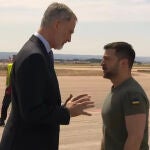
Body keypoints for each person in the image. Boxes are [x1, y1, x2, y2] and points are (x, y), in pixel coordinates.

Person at [0, 3, 94, 150]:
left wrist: (62, 107)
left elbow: (35, 103)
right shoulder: (34, 56)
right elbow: (31, 112)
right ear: (57, 25)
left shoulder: (39, 51)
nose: (69, 39)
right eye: (70, 32)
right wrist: (66, 112)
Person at [100, 42, 149, 150]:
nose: (102, 63)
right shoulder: (117, 90)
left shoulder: (132, 94)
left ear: (124, 63)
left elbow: (135, 138)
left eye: (107, 59)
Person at [0, 55, 15, 126]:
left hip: (12, 88)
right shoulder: (10, 66)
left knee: (6, 105)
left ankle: (2, 120)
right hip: (11, 88)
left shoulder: (10, 65)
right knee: (6, 105)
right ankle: (2, 120)